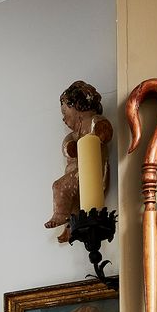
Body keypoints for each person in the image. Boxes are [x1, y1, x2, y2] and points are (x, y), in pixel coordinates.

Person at [44, 80, 114, 243]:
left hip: (90, 174)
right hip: (76, 177)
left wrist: (100, 133)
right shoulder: (75, 134)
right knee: (75, 204)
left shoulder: (94, 121)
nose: (63, 119)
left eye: (65, 112)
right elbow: (67, 145)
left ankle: (61, 214)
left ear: (77, 106)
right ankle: (71, 227)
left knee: (59, 186)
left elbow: (105, 129)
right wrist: (69, 147)